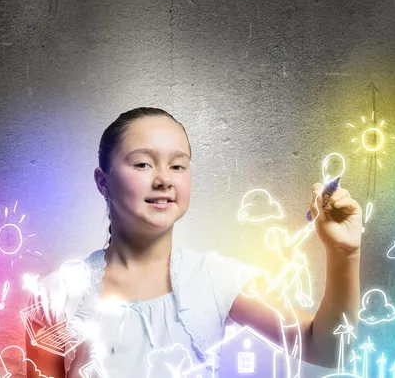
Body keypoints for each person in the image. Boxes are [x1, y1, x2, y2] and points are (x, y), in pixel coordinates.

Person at [25, 107, 362, 377]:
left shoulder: (217, 279)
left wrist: (344, 253)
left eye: (177, 165)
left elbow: (328, 349)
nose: (163, 180)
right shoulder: (58, 294)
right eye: (142, 164)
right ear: (103, 182)